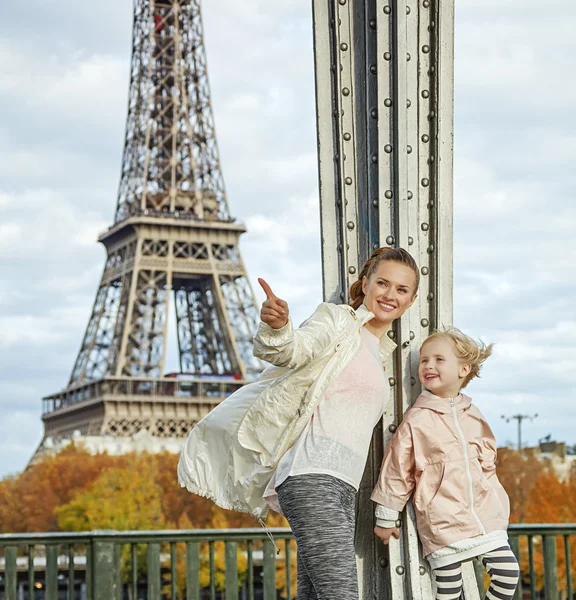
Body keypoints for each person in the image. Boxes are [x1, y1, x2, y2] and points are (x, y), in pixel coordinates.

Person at [178, 247, 419, 600]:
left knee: (315, 594)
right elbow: (293, 351)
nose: (390, 295)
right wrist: (277, 328)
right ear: (365, 283)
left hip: (343, 487)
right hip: (311, 475)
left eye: (401, 289)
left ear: (411, 301)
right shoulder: (338, 321)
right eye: (382, 283)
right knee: (341, 594)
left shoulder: (379, 351)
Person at [371, 328, 520, 600]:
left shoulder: (473, 414)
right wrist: (386, 516)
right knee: (449, 592)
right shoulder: (417, 420)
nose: (428, 365)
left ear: (464, 369)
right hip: (444, 523)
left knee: (508, 573)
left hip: (486, 519)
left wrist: (494, 495)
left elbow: (488, 462)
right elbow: (396, 469)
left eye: (439, 359)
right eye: (424, 360)